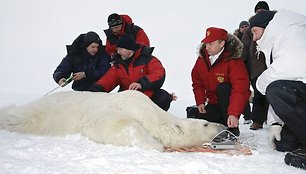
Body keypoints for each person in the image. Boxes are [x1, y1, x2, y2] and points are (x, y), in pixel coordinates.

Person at [249, 9, 306, 170]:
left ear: (267, 26)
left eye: (255, 32)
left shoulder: (293, 33)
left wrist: (260, 84)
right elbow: (285, 80)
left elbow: (293, 66)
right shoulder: (279, 40)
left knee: (275, 89)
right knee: (282, 142)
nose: (254, 38)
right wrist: (275, 123)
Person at [90, 34, 175, 111]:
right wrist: (95, 90)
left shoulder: (148, 59)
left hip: (147, 97)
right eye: (117, 49)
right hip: (128, 99)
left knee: (163, 97)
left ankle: (157, 123)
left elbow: (158, 73)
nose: (118, 52)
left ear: (130, 49)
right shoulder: (118, 65)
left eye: (121, 49)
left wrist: (141, 83)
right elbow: (108, 79)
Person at [190, 27, 251, 136]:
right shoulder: (202, 58)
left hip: (231, 103)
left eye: (211, 44)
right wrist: (200, 101)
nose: (207, 47)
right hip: (213, 103)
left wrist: (234, 114)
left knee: (223, 88)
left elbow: (240, 89)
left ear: (222, 43)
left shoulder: (234, 61)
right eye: (206, 43)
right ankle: (221, 124)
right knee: (197, 120)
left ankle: (232, 128)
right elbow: (197, 82)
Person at [241, 1, 270, 130]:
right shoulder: (249, 30)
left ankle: (274, 121)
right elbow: (244, 49)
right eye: (258, 11)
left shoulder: (273, 26)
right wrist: (243, 65)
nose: (260, 13)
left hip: (271, 66)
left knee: (273, 94)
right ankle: (257, 121)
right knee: (258, 95)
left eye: (263, 11)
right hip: (255, 68)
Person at [234, 20, 252, 124]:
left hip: (252, 68)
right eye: (242, 27)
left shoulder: (253, 36)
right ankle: (247, 115)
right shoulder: (235, 40)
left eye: (246, 26)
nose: (244, 28)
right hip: (240, 68)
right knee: (242, 91)